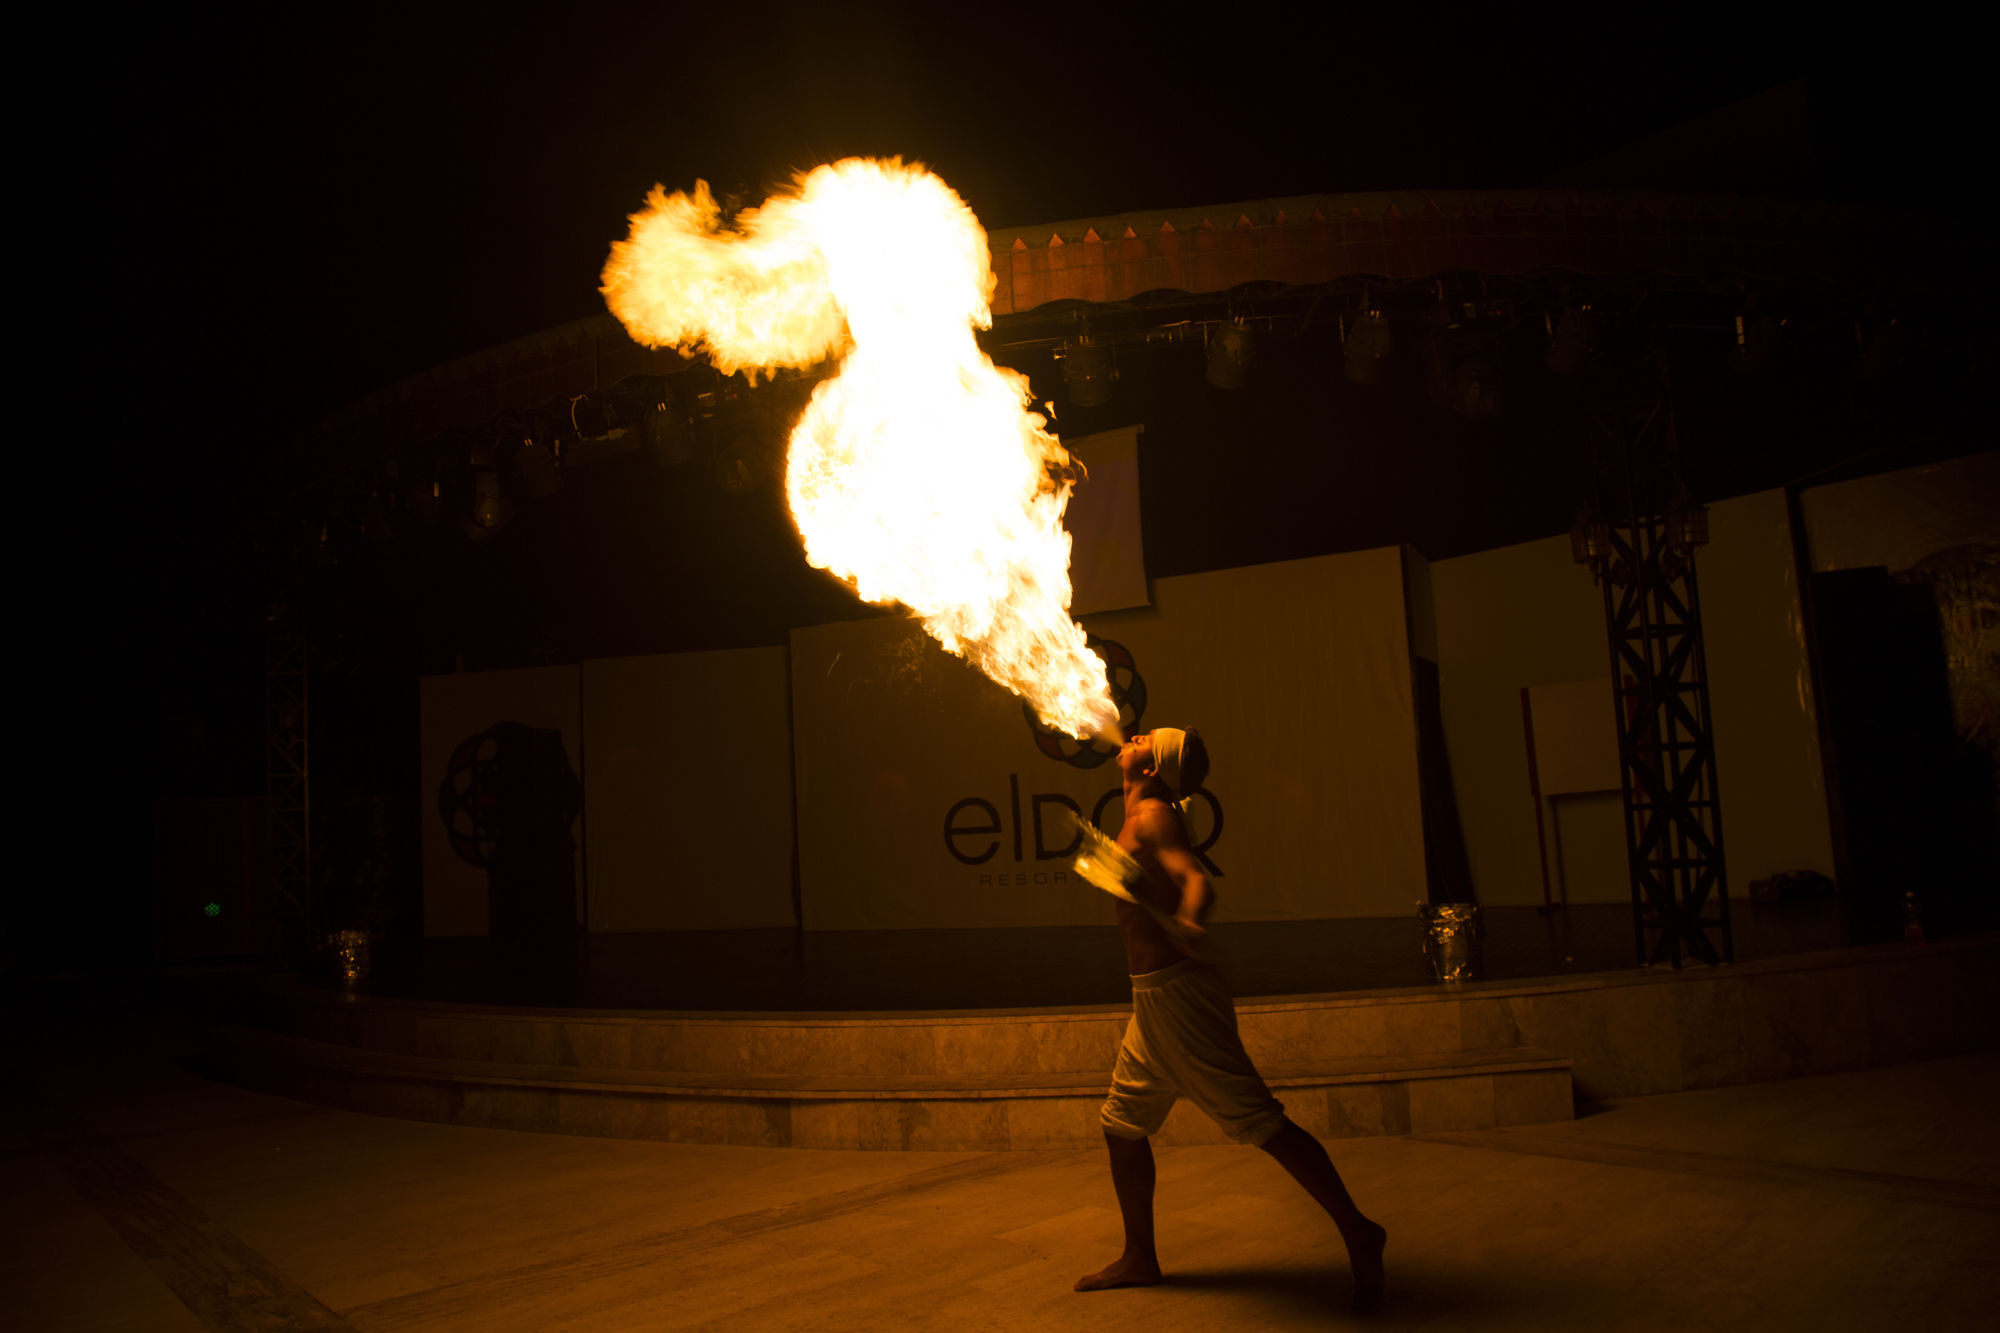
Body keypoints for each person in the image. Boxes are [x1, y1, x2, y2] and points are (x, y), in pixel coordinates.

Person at [1074, 727, 1388, 1311]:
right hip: (1154, 998)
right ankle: (1140, 1257)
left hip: (1179, 999)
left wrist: (1190, 918)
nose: (1133, 734)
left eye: (1147, 739)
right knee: (1122, 1123)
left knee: (1261, 1124)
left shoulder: (1154, 817)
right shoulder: (1141, 809)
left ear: (1154, 769)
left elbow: (1196, 878)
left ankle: (1359, 1230)